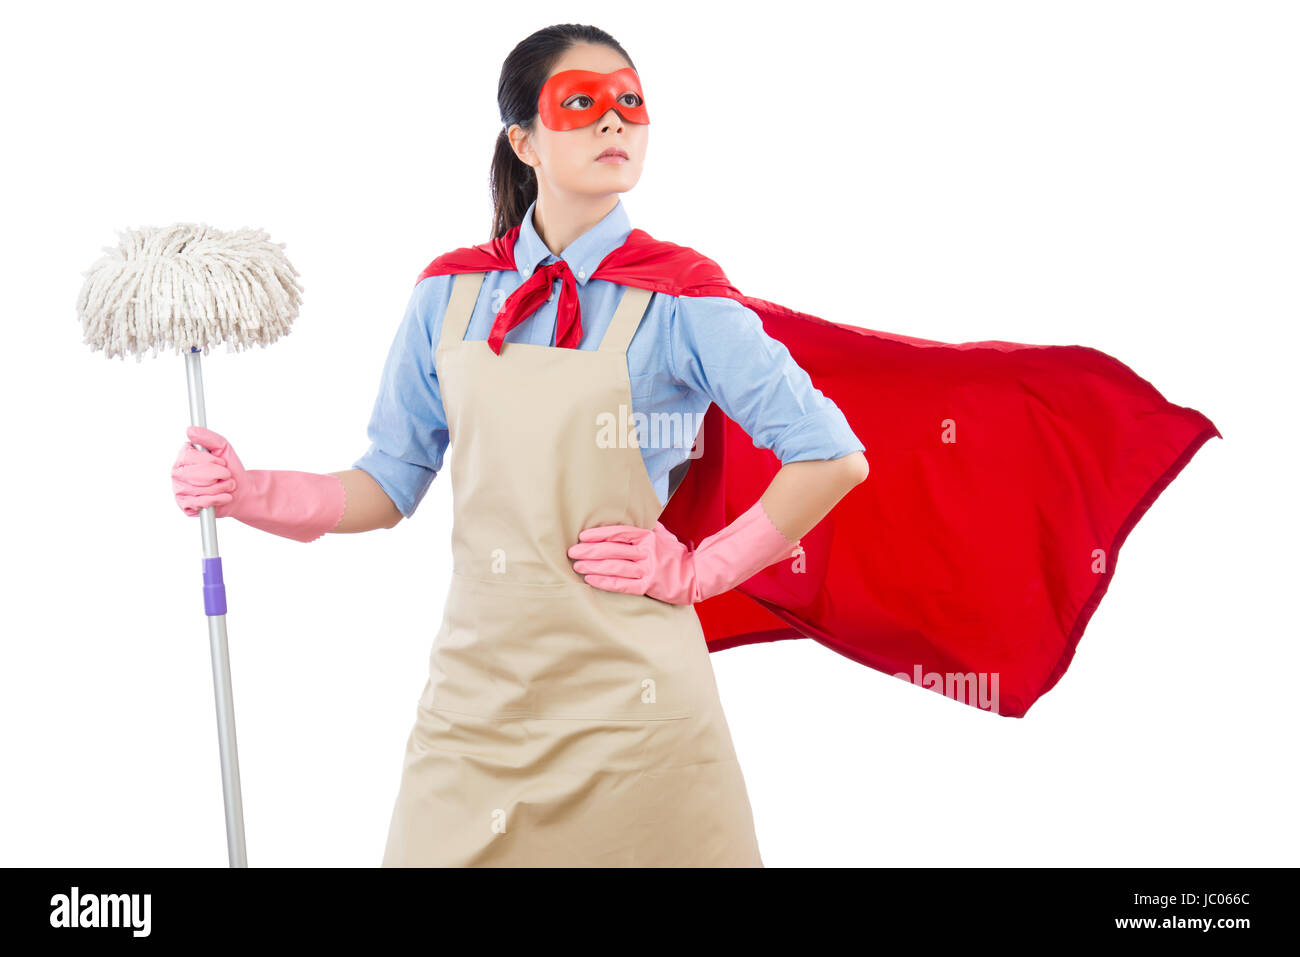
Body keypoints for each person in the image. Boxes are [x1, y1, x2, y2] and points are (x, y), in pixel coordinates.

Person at [170, 23, 868, 866]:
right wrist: (249, 493)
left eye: (630, 103)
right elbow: (387, 483)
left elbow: (830, 453)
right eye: (582, 104)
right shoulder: (449, 293)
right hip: (478, 703)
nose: (616, 123)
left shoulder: (683, 298)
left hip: (633, 709)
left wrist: (697, 568)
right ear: (523, 139)